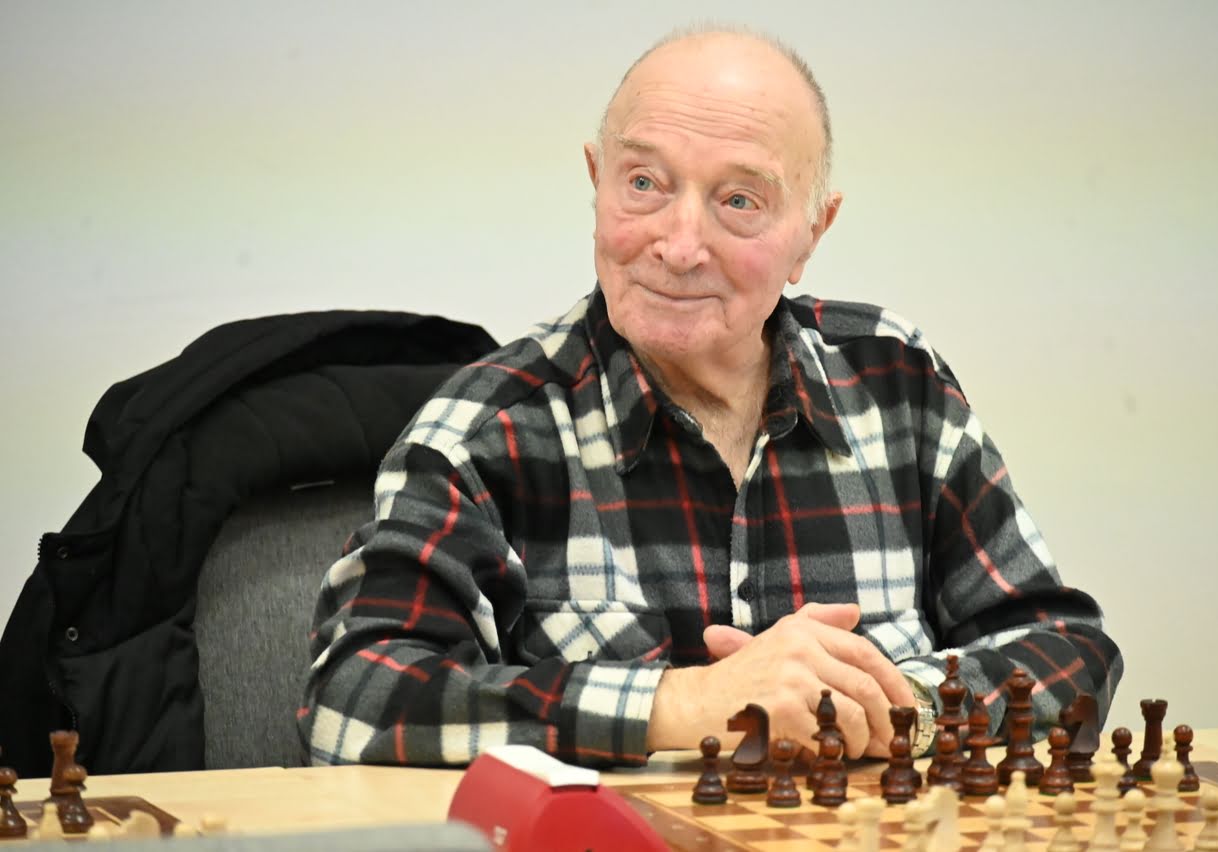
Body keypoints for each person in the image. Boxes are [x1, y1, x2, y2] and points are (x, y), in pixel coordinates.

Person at [298, 27, 1122, 768]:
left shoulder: (899, 385)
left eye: (739, 201)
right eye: (644, 183)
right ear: (596, 182)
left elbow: (1066, 649)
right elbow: (352, 702)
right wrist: (686, 704)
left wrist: (886, 704)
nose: (680, 244)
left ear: (812, 233)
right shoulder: (487, 431)